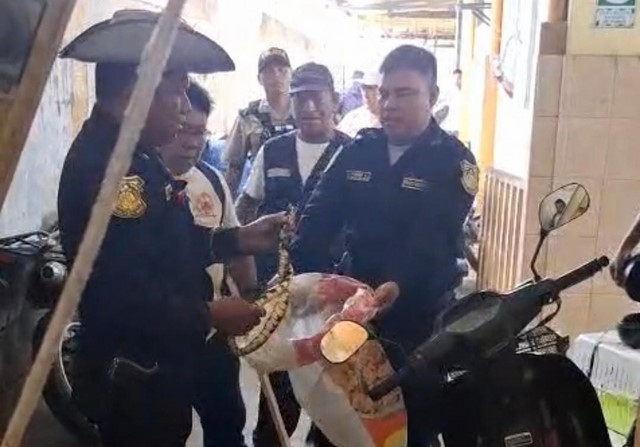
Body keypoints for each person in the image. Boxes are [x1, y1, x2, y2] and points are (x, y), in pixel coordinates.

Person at [56, 10, 285, 447]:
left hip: (156, 371)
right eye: (177, 90)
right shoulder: (108, 169)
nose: (183, 105)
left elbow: (163, 244)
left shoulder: (140, 157)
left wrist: (236, 239)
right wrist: (210, 314)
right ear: (138, 91)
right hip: (132, 378)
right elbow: (123, 295)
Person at [291, 45, 478, 446]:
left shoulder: (453, 162)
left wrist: (398, 283)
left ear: (433, 96)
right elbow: (317, 218)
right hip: (350, 313)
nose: (390, 104)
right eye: (385, 93)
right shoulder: (359, 150)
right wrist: (309, 283)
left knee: (409, 429)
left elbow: (434, 238)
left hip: (417, 322)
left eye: (404, 93)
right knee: (335, 425)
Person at [236, 62, 349, 447]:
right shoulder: (273, 151)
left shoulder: (354, 153)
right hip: (281, 297)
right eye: (300, 98)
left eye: (318, 97)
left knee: (334, 398)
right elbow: (246, 208)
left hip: (334, 299)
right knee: (278, 402)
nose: (309, 106)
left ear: (335, 100)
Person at [158, 81, 254, 447]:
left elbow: (235, 244)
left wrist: (250, 296)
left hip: (214, 335)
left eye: (199, 132)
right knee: (167, 429)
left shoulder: (211, 180)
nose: (191, 142)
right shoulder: (139, 183)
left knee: (227, 423)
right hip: (162, 338)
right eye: (183, 130)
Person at [223, 47, 296, 197]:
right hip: (262, 198)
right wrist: (227, 205)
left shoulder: (305, 111)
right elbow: (234, 169)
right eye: (269, 71)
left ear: (291, 74)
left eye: (282, 70)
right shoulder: (249, 117)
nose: (276, 75)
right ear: (259, 79)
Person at [337, 70, 381, 137]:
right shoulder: (352, 117)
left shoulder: (392, 120)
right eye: (363, 88)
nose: (366, 94)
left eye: (370, 88)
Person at [434, 68, 463, 137]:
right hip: (446, 127)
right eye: (455, 78)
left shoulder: (463, 93)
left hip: (456, 128)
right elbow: (438, 103)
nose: (457, 80)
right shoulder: (449, 92)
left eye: (459, 78)